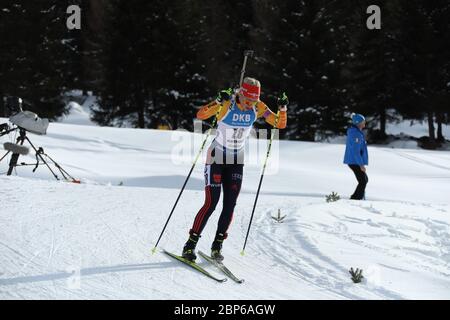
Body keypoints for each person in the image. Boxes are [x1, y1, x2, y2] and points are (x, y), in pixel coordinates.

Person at [182, 77, 288, 262]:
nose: (249, 105)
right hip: (216, 157)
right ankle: (190, 245)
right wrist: (216, 102)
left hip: (236, 160)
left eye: (253, 102)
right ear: (240, 95)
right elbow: (200, 115)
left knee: (230, 205)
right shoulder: (227, 103)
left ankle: (217, 245)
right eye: (247, 101)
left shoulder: (258, 107)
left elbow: (279, 124)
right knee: (211, 203)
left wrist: (283, 108)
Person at [344, 113, 368, 200]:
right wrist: (361, 164)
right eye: (363, 122)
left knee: (364, 180)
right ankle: (355, 199)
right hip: (354, 161)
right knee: (363, 181)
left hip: (355, 160)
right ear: (358, 122)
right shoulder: (355, 134)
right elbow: (355, 151)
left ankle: (356, 198)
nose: (365, 123)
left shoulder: (357, 132)